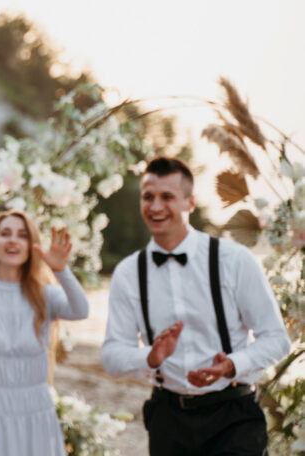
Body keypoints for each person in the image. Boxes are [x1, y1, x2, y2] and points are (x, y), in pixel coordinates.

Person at [101, 157, 291, 456]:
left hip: (234, 416)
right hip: (168, 419)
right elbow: (112, 356)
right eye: (148, 197)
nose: (155, 207)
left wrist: (232, 364)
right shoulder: (128, 273)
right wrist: (149, 357)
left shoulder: (234, 260)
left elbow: (277, 339)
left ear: (190, 202)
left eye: (167, 197)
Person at [0, 210, 88, 455]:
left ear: (32, 246)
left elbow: (80, 310)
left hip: (34, 410)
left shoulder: (45, 295)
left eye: (22, 235)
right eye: (5, 234)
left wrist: (61, 271)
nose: (13, 240)